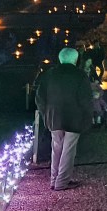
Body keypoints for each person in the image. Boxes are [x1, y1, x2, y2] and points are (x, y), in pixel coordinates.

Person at [35, 48, 91, 191]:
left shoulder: (49, 74)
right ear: (75, 59)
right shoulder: (80, 75)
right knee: (68, 150)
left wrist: (45, 113)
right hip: (74, 116)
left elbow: (40, 97)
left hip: (54, 116)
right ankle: (62, 181)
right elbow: (85, 99)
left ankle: (54, 179)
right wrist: (87, 116)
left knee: (56, 148)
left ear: (60, 58)